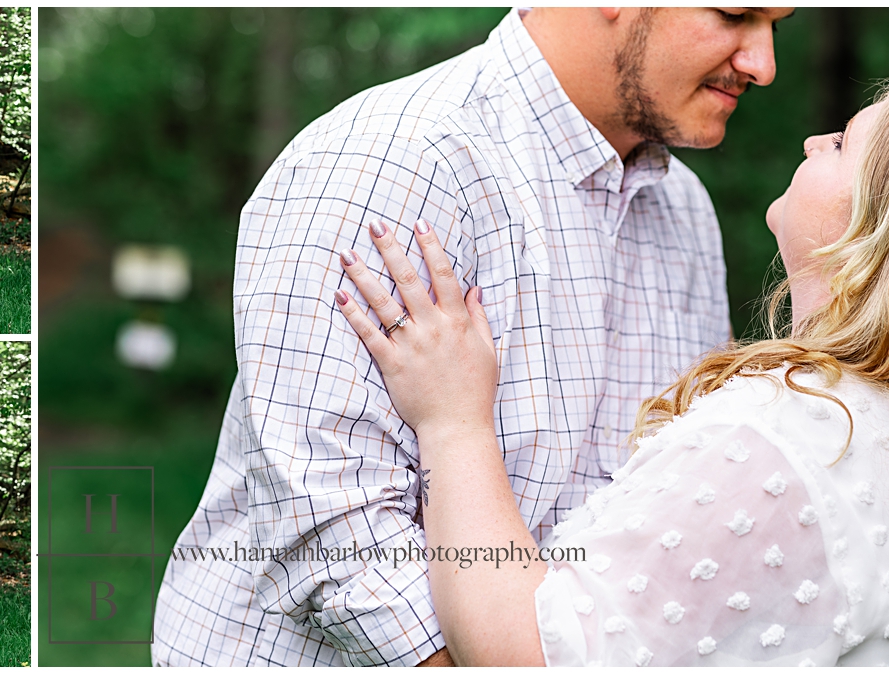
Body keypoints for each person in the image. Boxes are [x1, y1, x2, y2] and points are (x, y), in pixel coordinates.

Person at [154, 7, 792, 666]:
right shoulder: (396, 158)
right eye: (736, 14)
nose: (763, 64)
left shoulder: (682, 209)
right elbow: (333, 535)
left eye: (778, 26)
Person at [331, 70, 889, 666]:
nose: (815, 141)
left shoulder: (796, 432)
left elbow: (535, 654)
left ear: (883, 224)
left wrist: (453, 424)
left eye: (842, 143)